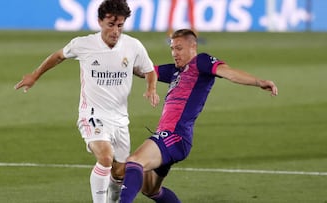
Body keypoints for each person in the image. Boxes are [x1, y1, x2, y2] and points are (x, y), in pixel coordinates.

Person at [14, 1, 160, 202]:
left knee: (119, 172)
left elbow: (149, 70)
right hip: (92, 114)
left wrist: (151, 87)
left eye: (120, 26)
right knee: (106, 157)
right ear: (100, 21)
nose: (115, 31)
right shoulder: (83, 44)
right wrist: (35, 75)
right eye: (110, 24)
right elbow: (58, 56)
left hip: (120, 119)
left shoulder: (133, 45)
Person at [119, 29, 278, 203]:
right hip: (168, 136)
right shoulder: (174, 71)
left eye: (179, 48)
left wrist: (259, 82)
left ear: (193, 46)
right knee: (150, 190)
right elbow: (144, 71)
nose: (174, 53)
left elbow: (230, 73)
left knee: (134, 162)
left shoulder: (201, 62)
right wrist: (119, 60)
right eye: (172, 49)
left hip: (175, 136)